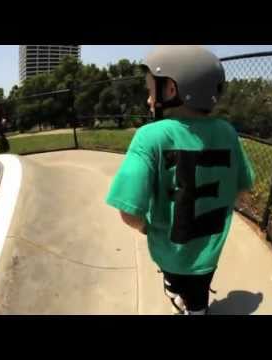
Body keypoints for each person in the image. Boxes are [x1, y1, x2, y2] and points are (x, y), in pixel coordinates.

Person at [105, 46, 255, 315]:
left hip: (169, 250)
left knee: (174, 281)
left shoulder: (149, 136)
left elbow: (128, 212)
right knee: (198, 300)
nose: (150, 101)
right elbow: (242, 188)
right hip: (208, 253)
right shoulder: (227, 132)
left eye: (152, 91)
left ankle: (175, 292)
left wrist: (147, 229)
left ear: (172, 90)